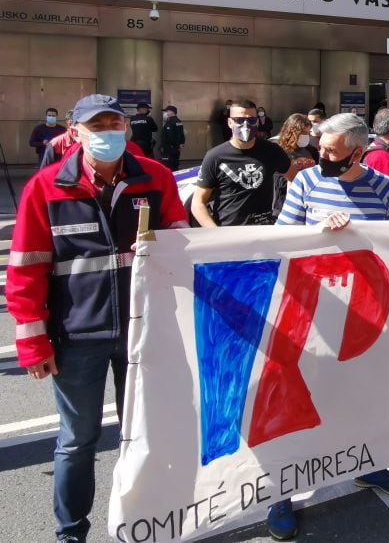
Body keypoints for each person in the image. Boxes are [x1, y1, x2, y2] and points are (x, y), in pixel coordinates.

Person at [8, 93, 188, 543]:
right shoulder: (46, 187)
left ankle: (148, 523)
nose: (107, 132)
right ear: (74, 131)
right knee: (76, 442)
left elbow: (181, 247)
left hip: (144, 332)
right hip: (76, 337)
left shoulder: (157, 178)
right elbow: (26, 270)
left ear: (126, 129)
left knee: (147, 435)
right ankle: (71, 533)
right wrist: (33, 343)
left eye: (114, 123)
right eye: (96, 125)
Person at [271, 112, 389, 539]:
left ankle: (370, 465)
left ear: (358, 151)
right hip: (309, 310)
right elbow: (281, 238)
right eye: (321, 147)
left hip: (363, 314)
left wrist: (358, 234)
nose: (321, 155)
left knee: (361, 396)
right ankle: (281, 493)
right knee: (297, 401)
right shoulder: (306, 182)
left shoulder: (383, 188)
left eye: (331, 150)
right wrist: (320, 236)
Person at [191, 99, 291, 227]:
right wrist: (214, 232)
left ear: (257, 122)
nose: (245, 125)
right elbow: (198, 202)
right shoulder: (215, 156)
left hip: (264, 230)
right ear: (229, 122)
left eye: (251, 120)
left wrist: (287, 213)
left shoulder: (271, 150)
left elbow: (293, 177)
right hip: (228, 231)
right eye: (239, 120)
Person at [270, 113, 319, 217]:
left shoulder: (312, 151)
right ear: (291, 132)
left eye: (307, 133)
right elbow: (276, 179)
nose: (305, 136)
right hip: (284, 202)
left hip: (309, 200)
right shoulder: (278, 150)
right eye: (302, 133)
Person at [159, 105, 186, 171]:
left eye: (167, 111)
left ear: (172, 112)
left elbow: (170, 136)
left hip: (169, 148)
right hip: (175, 148)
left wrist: (169, 146)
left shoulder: (170, 122)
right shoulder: (178, 121)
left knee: (168, 166)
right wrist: (181, 144)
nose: (165, 113)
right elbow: (181, 134)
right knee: (174, 164)